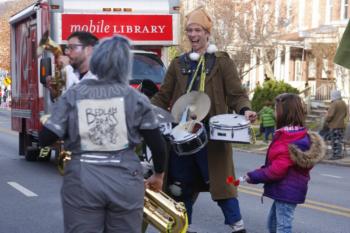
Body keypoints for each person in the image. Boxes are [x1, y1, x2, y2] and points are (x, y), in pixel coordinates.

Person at [39, 35, 166, 233]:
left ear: (96, 60)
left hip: (83, 179)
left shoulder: (74, 94)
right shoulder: (137, 99)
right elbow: (157, 144)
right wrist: (158, 174)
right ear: (126, 65)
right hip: (126, 180)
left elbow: (45, 138)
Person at [151, 6, 257, 233]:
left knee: (223, 187)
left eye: (197, 30)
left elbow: (236, 94)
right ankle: (183, 227)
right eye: (189, 30)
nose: (193, 35)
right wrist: (144, 110)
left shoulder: (221, 62)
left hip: (212, 137)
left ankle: (238, 228)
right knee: (181, 187)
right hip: (181, 135)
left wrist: (245, 109)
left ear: (207, 33)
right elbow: (163, 96)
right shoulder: (178, 64)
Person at [245, 93, 326, 233]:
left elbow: (276, 170)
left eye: (277, 110)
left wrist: (254, 176)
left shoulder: (289, 139)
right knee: (273, 225)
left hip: (287, 190)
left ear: (285, 113)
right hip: (285, 190)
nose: (275, 113)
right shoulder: (292, 134)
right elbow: (276, 163)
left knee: (283, 227)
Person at [46, 31, 99, 99]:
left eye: (72, 47)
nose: (67, 52)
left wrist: (67, 67)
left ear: (89, 50)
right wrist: (55, 93)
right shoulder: (73, 73)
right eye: (67, 48)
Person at [325, 90, 348, 160]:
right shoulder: (344, 103)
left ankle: (335, 155)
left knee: (334, 141)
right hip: (341, 125)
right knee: (339, 140)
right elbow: (345, 114)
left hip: (334, 125)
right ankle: (339, 154)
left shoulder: (334, 103)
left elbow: (330, 115)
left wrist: (326, 119)